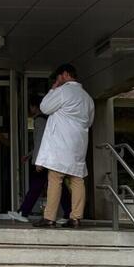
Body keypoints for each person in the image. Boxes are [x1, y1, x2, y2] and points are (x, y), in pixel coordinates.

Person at [33, 64, 95, 229]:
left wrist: (53, 89)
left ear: (65, 74)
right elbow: (89, 122)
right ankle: (76, 218)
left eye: (58, 77)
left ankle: (49, 218)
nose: (57, 81)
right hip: (79, 144)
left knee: (55, 179)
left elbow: (44, 108)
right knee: (77, 180)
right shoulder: (87, 98)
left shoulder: (62, 92)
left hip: (61, 144)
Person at [7, 95, 70, 223]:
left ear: (34, 107)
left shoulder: (40, 121)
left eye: (30, 106)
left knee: (36, 186)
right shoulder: (47, 120)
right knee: (59, 186)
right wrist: (29, 154)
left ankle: (23, 212)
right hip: (48, 159)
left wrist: (39, 160)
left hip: (43, 160)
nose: (30, 109)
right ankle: (69, 212)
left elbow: (41, 141)